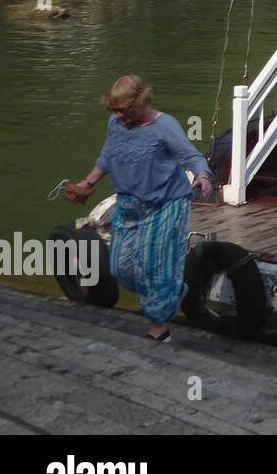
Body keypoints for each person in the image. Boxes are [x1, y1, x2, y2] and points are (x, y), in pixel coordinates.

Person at [61, 75, 213, 342]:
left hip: (165, 205)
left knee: (152, 266)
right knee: (121, 267)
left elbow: (191, 156)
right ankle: (172, 292)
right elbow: (107, 157)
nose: (118, 114)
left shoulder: (164, 125)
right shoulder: (115, 123)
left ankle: (158, 327)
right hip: (128, 205)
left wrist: (202, 175)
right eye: (113, 110)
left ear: (140, 102)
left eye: (123, 109)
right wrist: (87, 184)